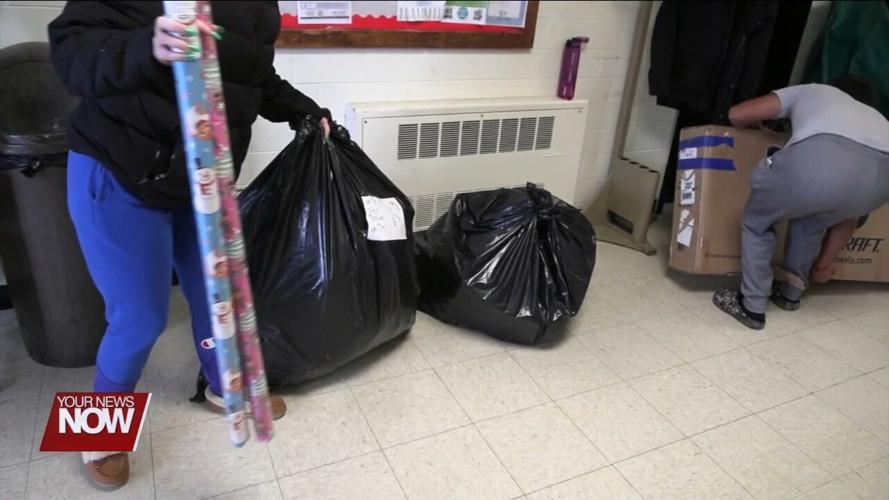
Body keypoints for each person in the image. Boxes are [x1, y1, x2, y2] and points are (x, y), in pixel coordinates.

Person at [48, 2, 330, 488]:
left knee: (217, 294)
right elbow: (71, 54)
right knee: (139, 317)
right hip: (119, 171)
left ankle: (226, 388)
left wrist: (303, 110)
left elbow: (253, 75)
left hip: (201, 177)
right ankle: (97, 433)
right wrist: (144, 47)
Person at [713, 76, 889, 329]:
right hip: (880, 185)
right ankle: (790, 293)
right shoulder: (877, 118)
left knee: (756, 224)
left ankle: (751, 305)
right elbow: (847, 222)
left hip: (822, 161)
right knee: (811, 225)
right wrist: (823, 266)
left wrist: (765, 131)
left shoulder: (817, 91)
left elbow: (738, 114)